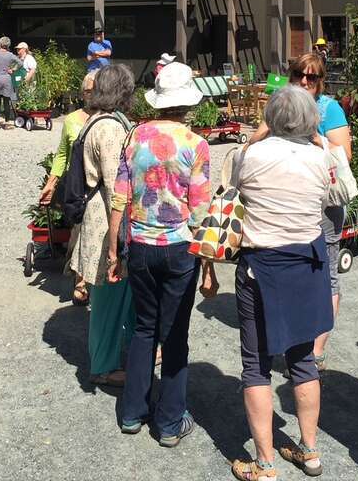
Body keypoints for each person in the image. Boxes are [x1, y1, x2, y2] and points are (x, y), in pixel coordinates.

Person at [105, 62, 217, 446]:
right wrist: (209, 264)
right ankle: (169, 422)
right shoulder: (195, 143)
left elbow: (120, 195)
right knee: (175, 333)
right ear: (188, 102)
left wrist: (113, 249)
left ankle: (133, 412)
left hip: (139, 245)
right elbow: (200, 208)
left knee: (143, 328)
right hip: (179, 247)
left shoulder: (134, 136)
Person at [230, 85, 334, 480]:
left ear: (270, 118)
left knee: (256, 365)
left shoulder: (251, 155)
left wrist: (257, 135)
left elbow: (235, 184)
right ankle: (309, 450)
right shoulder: (320, 156)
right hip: (306, 262)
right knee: (303, 360)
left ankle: (265, 463)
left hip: (262, 264)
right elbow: (332, 191)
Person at [249, 51, 351, 371]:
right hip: (287, 201)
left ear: (321, 82)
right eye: (299, 75)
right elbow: (253, 142)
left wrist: (314, 136)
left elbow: (343, 154)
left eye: (312, 77)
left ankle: (316, 348)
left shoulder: (328, 108)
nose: (304, 82)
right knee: (290, 269)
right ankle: (293, 337)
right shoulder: (279, 103)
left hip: (323, 203)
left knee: (326, 273)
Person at [66, 64, 134, 386]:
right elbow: (114, 185)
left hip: (100, 217)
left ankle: (128, 349)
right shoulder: (110, 128)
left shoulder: (94, 120)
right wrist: (117, 242)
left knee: (119, 293)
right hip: (105, 220)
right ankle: (103, 366)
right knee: (107, 298)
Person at [39, 70, 98, 305]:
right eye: (87, 91)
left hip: (100, 186)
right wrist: (51, 183)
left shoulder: (110, 118)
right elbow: (62, 155)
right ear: (82, 94)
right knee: (79, 230)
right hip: (76, 185)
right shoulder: (72, 120)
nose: (92, 95)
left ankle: (92, 280)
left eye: (96, 91)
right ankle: (81, 279)